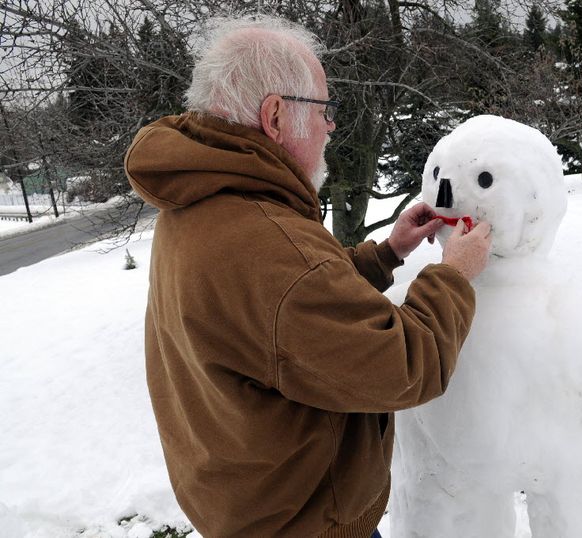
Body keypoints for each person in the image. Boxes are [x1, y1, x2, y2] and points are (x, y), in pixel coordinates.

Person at [124, 14, 491, 538]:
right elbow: (409, 364)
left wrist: (386, 253)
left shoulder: (200, 196)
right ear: (275, 116)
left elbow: (283, 318)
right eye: (324, 109)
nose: (331, 125)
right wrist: (455, 273)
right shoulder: (270, 243)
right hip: (304, 520)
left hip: (248, 503)